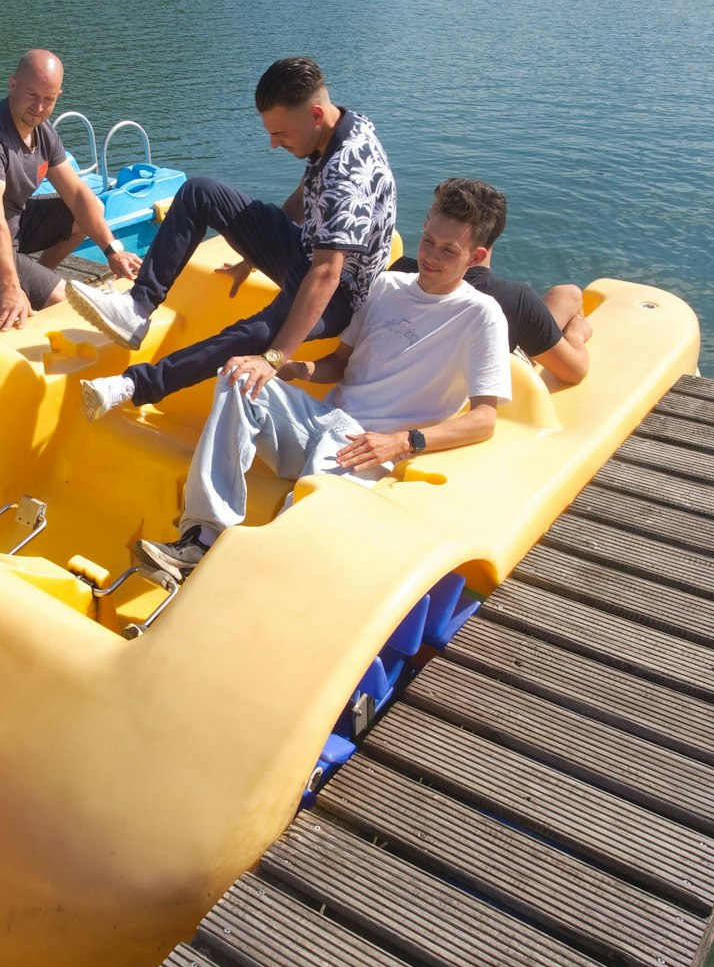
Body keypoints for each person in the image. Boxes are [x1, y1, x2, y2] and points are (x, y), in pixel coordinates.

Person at [132, 178, 511, 578]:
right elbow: (341, 364)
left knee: (302, 530)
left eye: (448, 250)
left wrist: (402, 441)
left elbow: (484, 419)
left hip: (365, 448)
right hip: (321, 420)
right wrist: (296, 370)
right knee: (237, 373)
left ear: (476, 255)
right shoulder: (384, 285)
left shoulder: (480, 315)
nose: (430, 256)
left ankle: (242, 582)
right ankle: (201, 537)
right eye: (428, 240)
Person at [68, 57, 396, 420]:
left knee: (257, 332)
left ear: (315, 114)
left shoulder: (348, 174)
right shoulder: (342, 126)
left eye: (281, 134)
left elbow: (325, 276)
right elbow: (309, 193)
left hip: (338, 296)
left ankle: (133, 385)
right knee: (200, 192)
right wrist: (252, 254)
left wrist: (275, 358)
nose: (273, 144)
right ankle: (137, 308)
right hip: (306, 253)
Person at [0, 49, 142, 331]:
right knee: (67, 305)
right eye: (32, 95)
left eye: (49, 99)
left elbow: (78, 195)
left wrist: (112, 250)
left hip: (15, 224)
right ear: (13, 85)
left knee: (93, 208)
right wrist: (10, 287)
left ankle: (32, 280)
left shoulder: (43, 131)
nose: (39, 107)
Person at [383, 253, 591, 384]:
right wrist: (575, 335)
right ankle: (566, 333)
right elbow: (575, 372)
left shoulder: (399, 273)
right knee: (569, 293)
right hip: (508, 360)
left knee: (567, 293)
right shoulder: (515, 298)